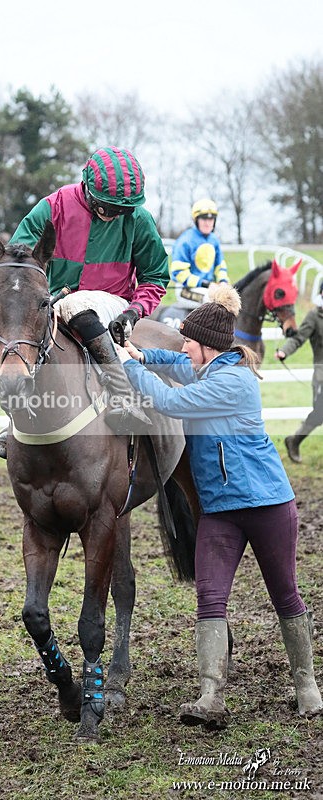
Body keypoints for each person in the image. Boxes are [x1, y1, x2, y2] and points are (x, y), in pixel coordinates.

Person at [116, 283, 322, 728]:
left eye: (188, 341)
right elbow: (174, 362)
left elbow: (169, 399)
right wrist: (140, 354)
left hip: (268, 506)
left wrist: (125, 367)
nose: (183, 347)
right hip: (219, 511)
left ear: (207, 348)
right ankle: (211, 696)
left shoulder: (232, 383)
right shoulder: (208, 369)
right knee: (210, 599)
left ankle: (306, 685)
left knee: (284, 594)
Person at [0, 146, 170, 458]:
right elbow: (16, 264)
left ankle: (123, 398)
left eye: (121, 210)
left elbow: (155, 275)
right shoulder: (53, 207)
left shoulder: (139, 220)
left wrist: (134, 312)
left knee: (78, 303)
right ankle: (16, 421)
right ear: (87, 187)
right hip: (57, 305)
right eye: (107, 206)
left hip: (113, 305)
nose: (114, 215)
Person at [275, 280, 323, 463]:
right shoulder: (314, 316)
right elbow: (298, 338)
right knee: (319, 414)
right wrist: (284, 351)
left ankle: (294, 441)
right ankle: (294, 441)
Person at [170, 199, 230, 309]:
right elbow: (179, 273)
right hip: (185, 289)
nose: (208, 223)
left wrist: (223, 282)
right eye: (204, 219)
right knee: (213, 301)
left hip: (210, 288)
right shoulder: (185, 240)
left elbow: (220, 266)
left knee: (230, 297)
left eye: (211, 219)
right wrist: (206, 284)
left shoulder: (214, 240)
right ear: (196, 220)